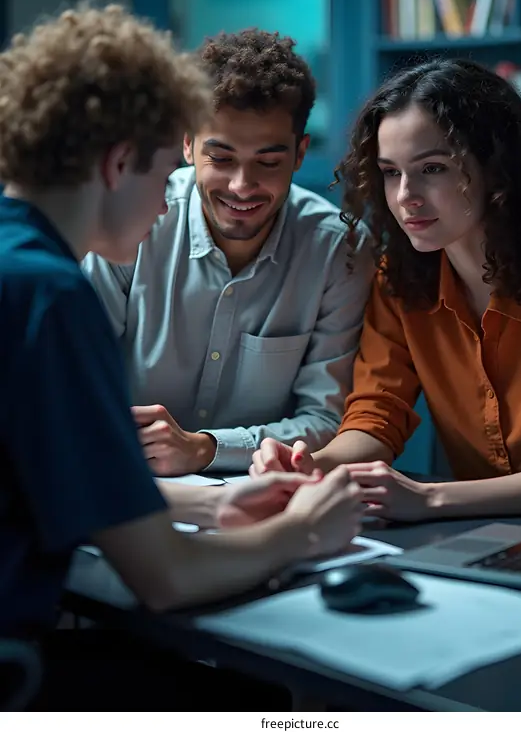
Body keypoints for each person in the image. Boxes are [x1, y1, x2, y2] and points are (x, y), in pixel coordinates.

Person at [0, 5, 362, 709]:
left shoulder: (18, 266)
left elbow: (51, 481)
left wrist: (206, 491)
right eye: (178, 165)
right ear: (118, 164)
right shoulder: (49, 294)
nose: (172, 205)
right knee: (268, 711)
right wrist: (303, 530)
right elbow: (166, 577)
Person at [251, 57, 521, 522]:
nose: (405, 195)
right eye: (391, 172)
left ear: (497, 169)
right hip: (483, 530)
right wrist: (310, 467)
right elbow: (377, 413)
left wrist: (429, 499)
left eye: (432, 168)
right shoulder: (400, 277)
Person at [82, 28, 373, 476]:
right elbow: (72, 380)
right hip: (121, 478)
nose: (242, 185)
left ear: (299, 154)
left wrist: (206, 449)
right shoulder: (134, 223)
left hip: (263, 491)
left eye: (268, 162)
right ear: (186, 145)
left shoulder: (339, 251)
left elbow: (328, 421)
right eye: (220, 158)